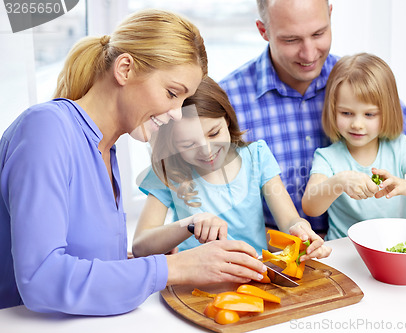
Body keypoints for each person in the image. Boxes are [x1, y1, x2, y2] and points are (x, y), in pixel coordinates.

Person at [0, 9, 268, 315]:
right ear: (125, 69)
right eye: (171, 93)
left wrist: (140, 261)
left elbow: (87, 266)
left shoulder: (106, 151)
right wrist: (172, 267)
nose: (177, 114)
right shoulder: (46, 128)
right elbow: (42, 280)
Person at [218, 0, 406, 234]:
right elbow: (203, 192)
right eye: (291, 39)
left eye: (318, 34)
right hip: (276, 249)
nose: (308, 53)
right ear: (263, 30)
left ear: (330, 15)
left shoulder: (353, 83)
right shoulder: (228, 100)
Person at [133, 76, 331, 260]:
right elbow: (140, 246)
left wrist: (302, 230)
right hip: (195, 277)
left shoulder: (257, 156)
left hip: (253, 270)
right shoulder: (168, 170)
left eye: (214, 133)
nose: (207, 151)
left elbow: (289, 221)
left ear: (227, 120)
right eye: (188, 145)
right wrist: (190, 224)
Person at [302, 53, 406, 239]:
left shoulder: (398, 147)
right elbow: (310, 206)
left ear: (387, 112)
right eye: (346, 113)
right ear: (333, 110)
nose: (357, 124)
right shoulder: (327, 157)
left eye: (369, 115)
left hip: (393, 247)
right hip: (344, 253)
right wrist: (339, 182)